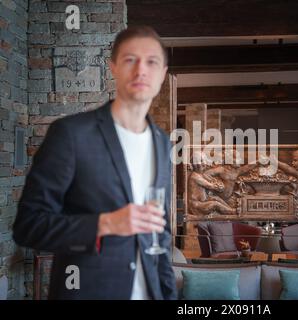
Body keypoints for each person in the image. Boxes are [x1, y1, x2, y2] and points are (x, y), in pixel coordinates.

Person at [12, 26, 177, 300]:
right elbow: (28, 227)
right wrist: (106, 224)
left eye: (151, 62)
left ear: (163, 73)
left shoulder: (162, 142)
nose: (141, 70)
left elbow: (162, 236)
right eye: (130, 60)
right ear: (113, 67)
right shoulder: (71, 134)